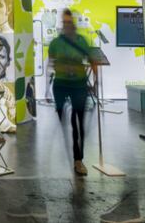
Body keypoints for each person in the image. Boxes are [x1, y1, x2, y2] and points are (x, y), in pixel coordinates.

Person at [48, 9, 98, 176]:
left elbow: (92, 61)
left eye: (69, 22)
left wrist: (96, 81)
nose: (67, 25)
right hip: (61, 85)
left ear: (74, 24)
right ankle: (67, 147)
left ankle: (78, 160)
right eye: (65, 22)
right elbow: (51, 62)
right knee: (62, 116)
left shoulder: (82, 41)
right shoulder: (56, 43)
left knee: (79, 122)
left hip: (78, 85)